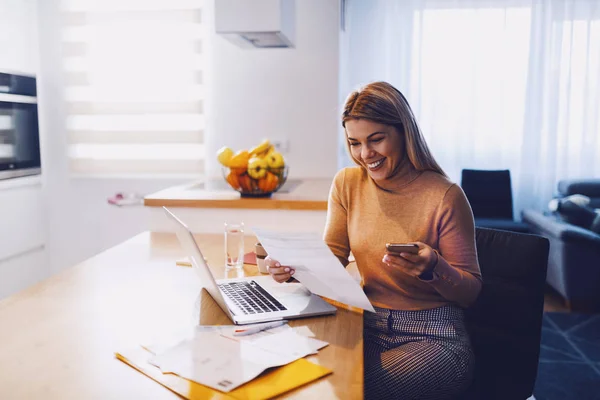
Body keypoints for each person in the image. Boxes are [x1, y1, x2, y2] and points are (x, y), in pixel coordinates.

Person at [265, 81, 482, 400]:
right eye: (354, 143)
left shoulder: (445, 196)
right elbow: (333, 257)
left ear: (403, 132)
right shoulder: (347, 184)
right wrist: (292, 267)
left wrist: (432, 266)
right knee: (290, 373)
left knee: (341, 389)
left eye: (376, 140)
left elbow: (471, 292)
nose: (365, 155)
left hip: (434, 337)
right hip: (364, 323)